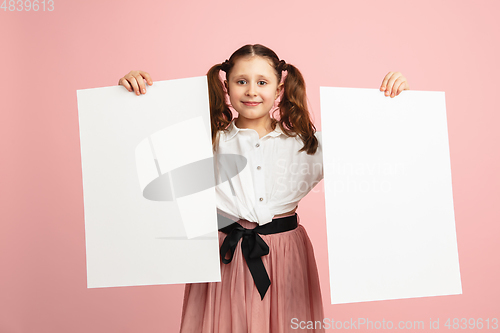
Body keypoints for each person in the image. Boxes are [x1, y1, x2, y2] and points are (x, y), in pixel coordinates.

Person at [118, 44, 409, 333]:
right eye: (241, 81)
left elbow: (373, 150)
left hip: (285, 254)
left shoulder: (306, 143)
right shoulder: (207, 139)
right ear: (226, 86)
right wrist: (132, 94)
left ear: (279, 87)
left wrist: (395, 100)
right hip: (223, 256)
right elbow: (145, 149)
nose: (251, 91)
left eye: (262, 82)